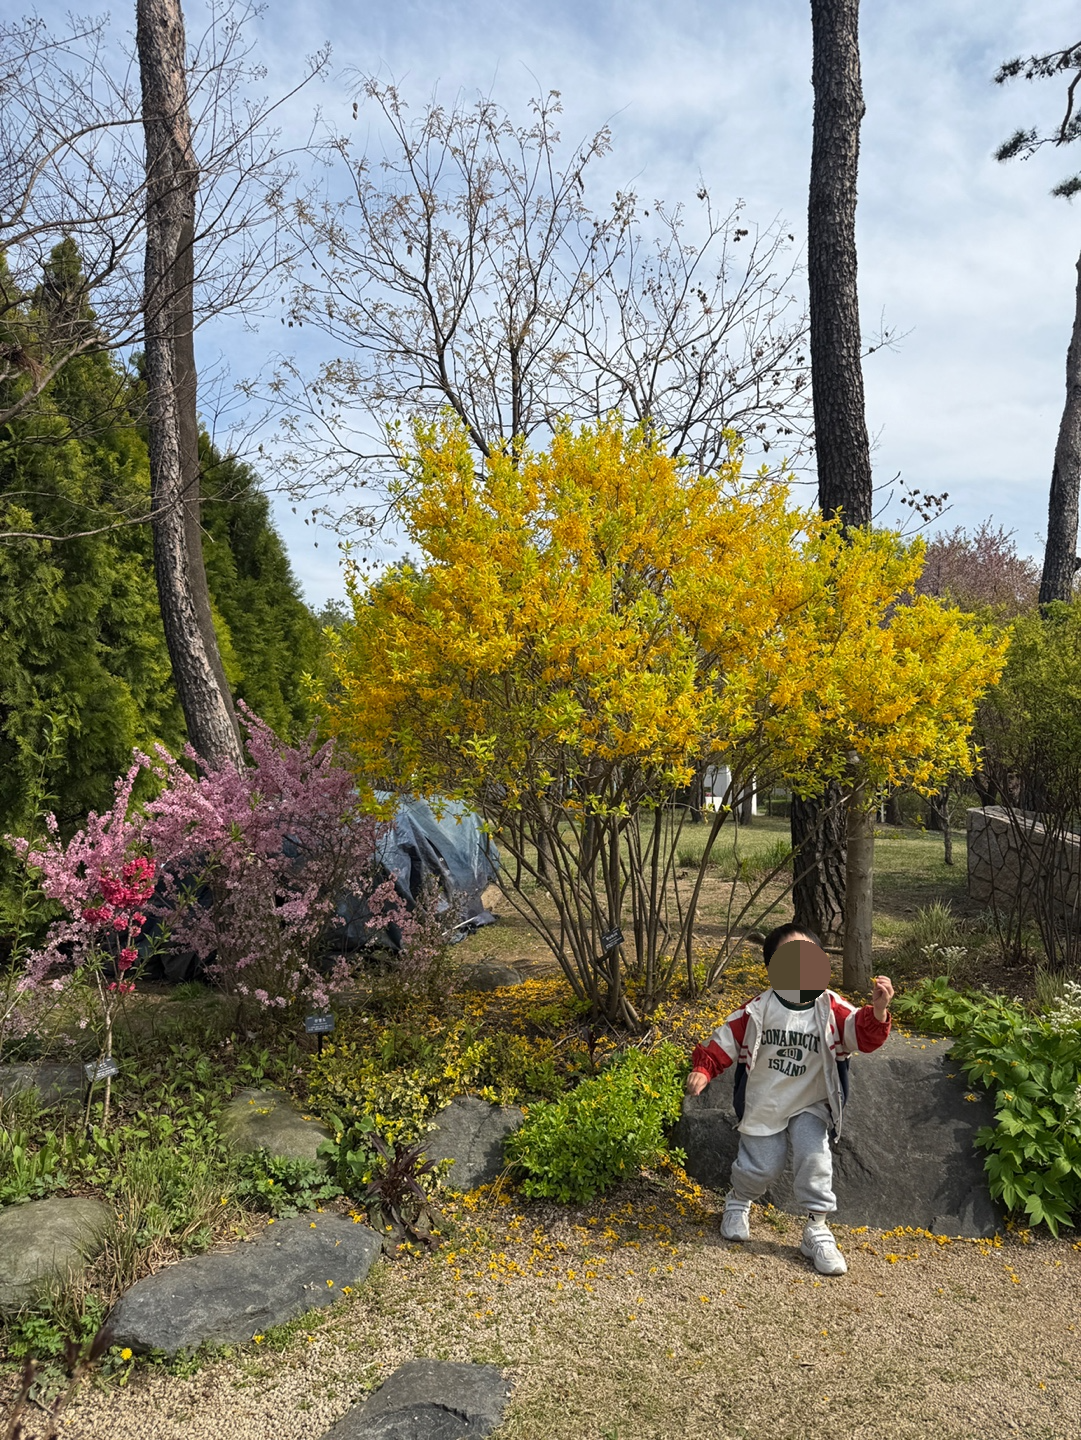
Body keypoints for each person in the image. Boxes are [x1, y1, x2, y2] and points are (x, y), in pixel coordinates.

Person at [685, 923, 894, 1276]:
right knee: (761, 1166)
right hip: (765, 1100)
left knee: (815, 1157)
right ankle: (738, 1200)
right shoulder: (759, 1008)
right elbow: (725, 1039)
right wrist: (704, 1069)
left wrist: (876, 1013)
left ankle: (816, 1228)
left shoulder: (831, 1007)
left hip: (811, 1102)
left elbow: (860, 1035)